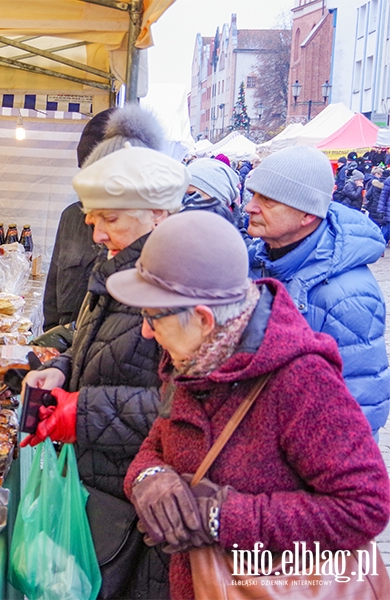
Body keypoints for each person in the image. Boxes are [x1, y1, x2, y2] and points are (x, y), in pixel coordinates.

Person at [104, 210, 390, 600]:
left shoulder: (301, 380)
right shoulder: (195, 358)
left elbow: (365, 505)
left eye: (153, 317)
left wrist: (223, 518)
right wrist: (148, 478)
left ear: (203, 319)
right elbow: (158, 441)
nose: (145, 330)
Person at [22, 143, 189, 599]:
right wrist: (62, 369)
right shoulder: (116, 262)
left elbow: (186, 405)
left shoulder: (180, 280)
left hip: (139, 504)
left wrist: (85, 410)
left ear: (158, 214)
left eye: (110, 219)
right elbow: (97, 343)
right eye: (93, 219)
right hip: (98, 481)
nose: (96, 233)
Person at [244, 145, 390, 436]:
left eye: (268, 200)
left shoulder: (347, 296)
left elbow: (359, 410)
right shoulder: (257, 260)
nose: (251, 207)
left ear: (306, 215)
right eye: (254, 195)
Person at [39, 104, 168, 350]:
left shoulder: (162, 255)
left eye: (110, 217)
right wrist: (53, 347)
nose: (98, 234)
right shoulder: (70, 216)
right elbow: (53, 291)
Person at [180, 157, 243, 228]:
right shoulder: (183, 228)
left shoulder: (237, 237)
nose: (183, 200)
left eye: (192, 194)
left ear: (218, 197)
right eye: (181, 194)